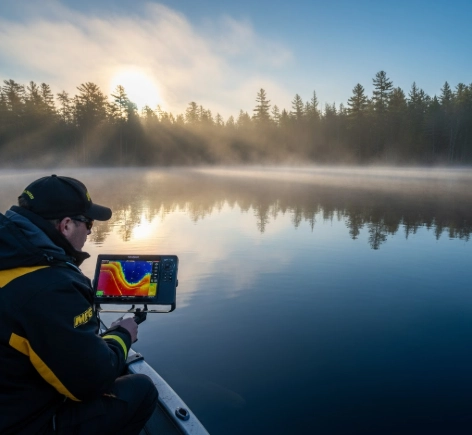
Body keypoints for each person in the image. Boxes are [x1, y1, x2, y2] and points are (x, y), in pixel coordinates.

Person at [0, 175, 158, 434]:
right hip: (21, 424)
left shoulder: (11, 257)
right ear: (65, 226)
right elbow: (91, 382)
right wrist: (121, 335)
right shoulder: (50, 287)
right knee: (142, 390)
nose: (90, 231)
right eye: (88, 223)